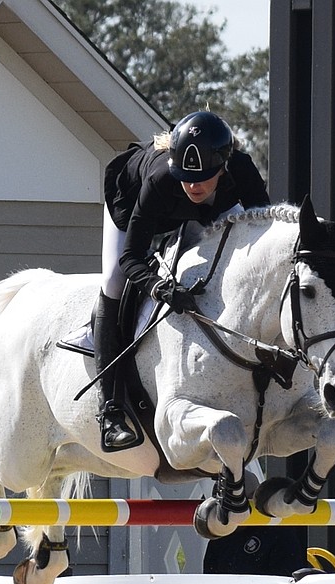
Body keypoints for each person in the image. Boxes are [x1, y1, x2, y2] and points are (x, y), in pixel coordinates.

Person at [94, 110, 270, 451]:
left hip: (207, 212)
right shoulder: (162, 179)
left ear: (223, 168)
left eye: (203, 177)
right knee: (114, 280)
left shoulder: (241, 171)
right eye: (186, 177)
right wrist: (159, 288)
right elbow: (131, 257)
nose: (193, 185)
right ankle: (111, 412)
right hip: (132, 204)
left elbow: (264, 233)